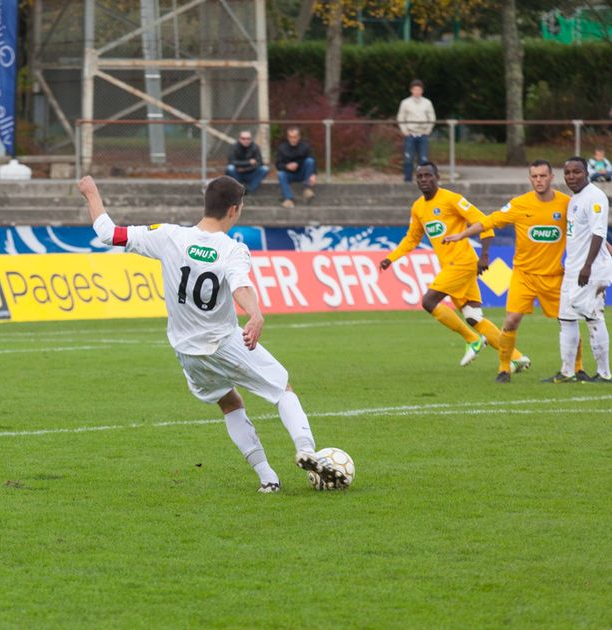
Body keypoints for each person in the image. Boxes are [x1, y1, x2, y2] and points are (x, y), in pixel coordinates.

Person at [78, 174, 343, 493]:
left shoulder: (168, 236)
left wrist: (91, 192)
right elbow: (240, 285)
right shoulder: (233, 249)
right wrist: (255, 312)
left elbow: (108, 233)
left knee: (229, 402)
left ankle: (267, 478)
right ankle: (307, 449)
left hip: (187, 351)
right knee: (282, 388)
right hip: (224, 341)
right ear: (234, 210)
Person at [380, 162, 530, 370]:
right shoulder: (418, 207)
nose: (423, 180)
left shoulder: (452, 199)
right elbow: (412, 239)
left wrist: (484, 255)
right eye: (420, 177)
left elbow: (483, 221)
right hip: (450, 266)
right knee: (473, 316)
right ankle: (516, 357)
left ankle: (472, 340)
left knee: (428, 301)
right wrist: (391, 258)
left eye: (428, 176)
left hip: (462, 263)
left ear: (437, 177)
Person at [443, 160, 568, 383]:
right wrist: (462, 235)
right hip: (524, 275)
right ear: (530, 179)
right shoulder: (519, 204)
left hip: (553, 276)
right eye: (534, 176)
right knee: (511, 321)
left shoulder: (566, 204)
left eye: (542, 176)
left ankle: (574, 368)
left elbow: (587, 228)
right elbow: (487, 221)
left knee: (566, 321)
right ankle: (504, 369)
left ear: (551, 177)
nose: (538, 180)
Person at [541, 157, 612, 383]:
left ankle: (604, 373)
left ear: (587, 173)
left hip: (590, 270)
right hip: (573, 269)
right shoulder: (575, 199)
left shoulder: (595, 197)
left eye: (577, 172)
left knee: (593, 317)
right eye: (568, 173)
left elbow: (599, 233)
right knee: (566, 318)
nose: (571, 176)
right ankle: (567, 371)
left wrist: (588, 266)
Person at [396, 79, 436, 183]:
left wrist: (428, 130)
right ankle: (407, 180)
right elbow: (401, 117)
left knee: (423, 159)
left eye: (419, 89)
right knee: (408, 158)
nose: (417, 92)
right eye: (415, 89)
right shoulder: (405, 103)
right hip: (410, 134)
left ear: (422, 91)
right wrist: (405, 131)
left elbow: (432, 117)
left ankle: (423, 181)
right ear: (411, 90)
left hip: (423, 134)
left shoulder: (427, 103)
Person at [274, 126, 316, 208]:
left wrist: (313, 174)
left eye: (295, 137)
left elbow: (313, 161)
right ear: (288, 137)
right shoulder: (282, 148)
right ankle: (289, 199)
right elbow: (278, 164)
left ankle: (307, 189)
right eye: (291, 137)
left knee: (310, 161)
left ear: (299, 137)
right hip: (289, 175)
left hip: (302, 173)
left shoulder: (305, 146)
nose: (293, 139)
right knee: (280, 174)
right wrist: (287, 166)